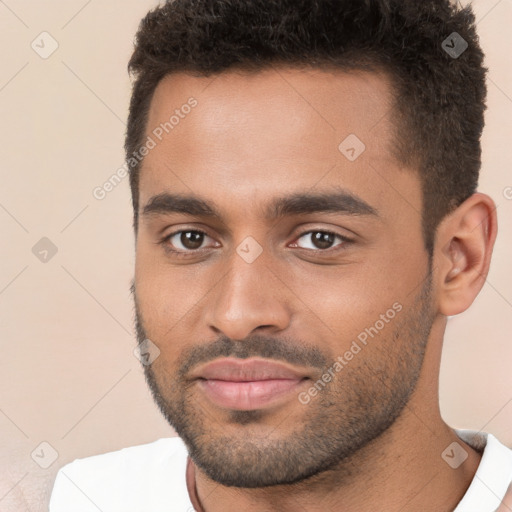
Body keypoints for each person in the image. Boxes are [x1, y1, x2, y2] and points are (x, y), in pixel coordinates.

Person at [49, 0, 512, 510]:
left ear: (458, 259)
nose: (238, 315)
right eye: (191, 238)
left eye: (320, 239)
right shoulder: (86, 497)